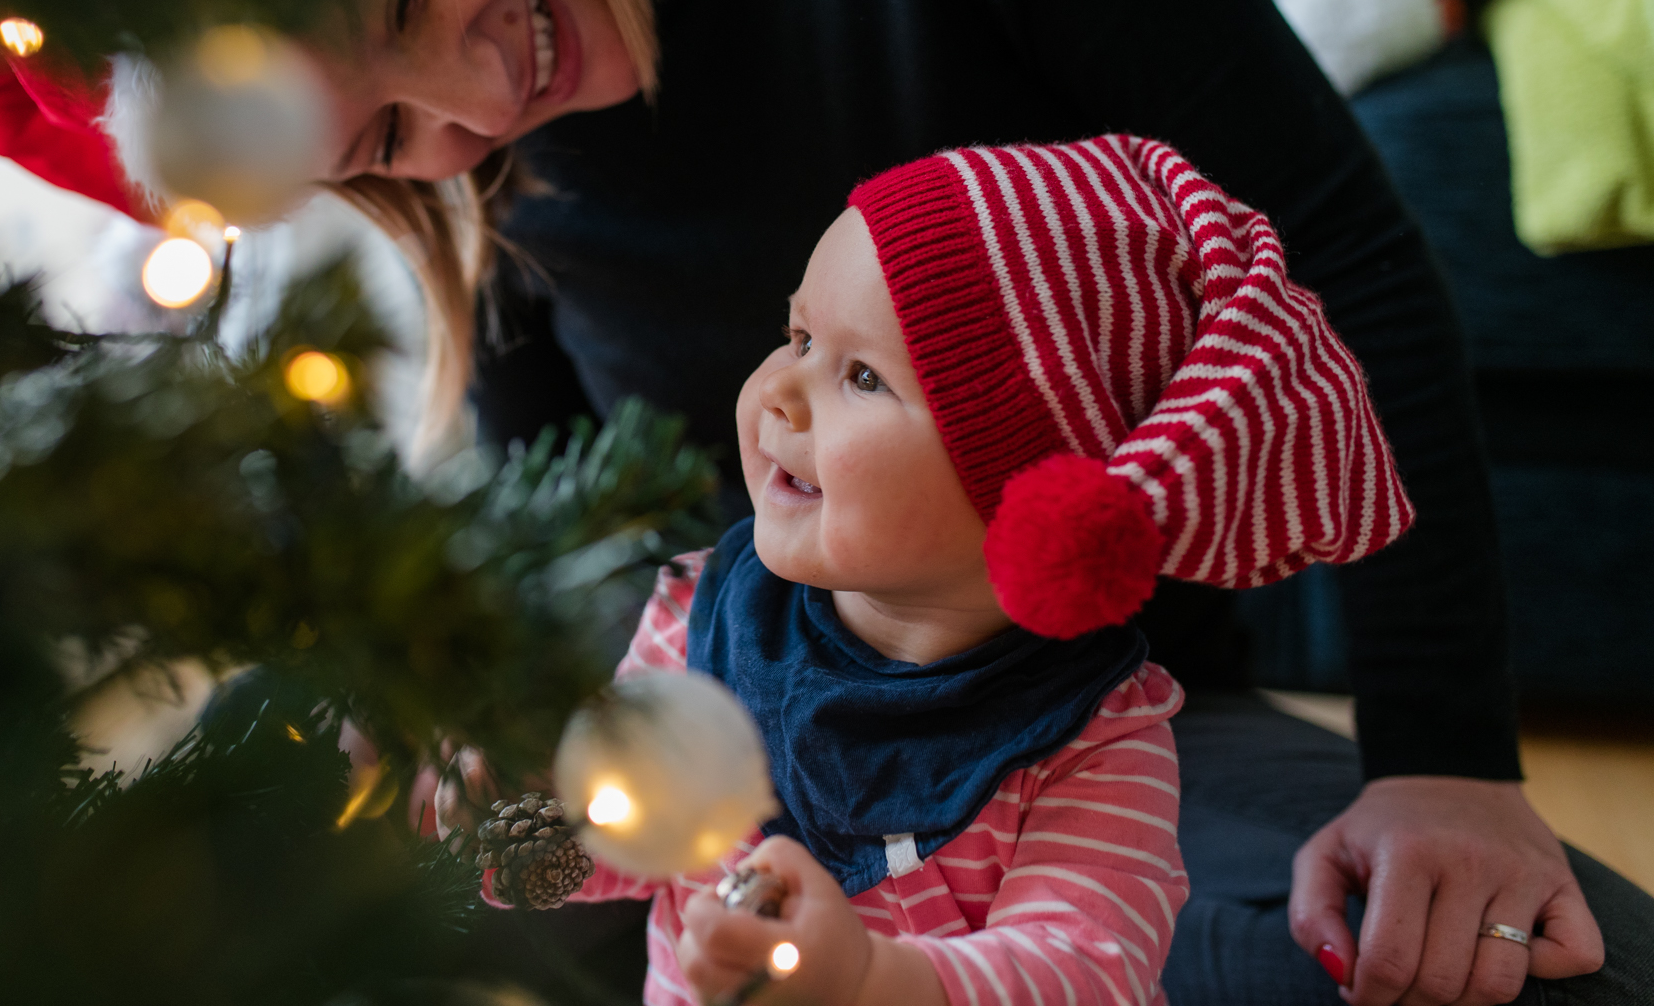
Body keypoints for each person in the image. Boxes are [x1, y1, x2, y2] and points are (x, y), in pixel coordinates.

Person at [0, 0, 1649, 1004]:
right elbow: (565, 537)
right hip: (713, 798)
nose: (476, 106)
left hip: (1077, 769)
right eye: (382, 142)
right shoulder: (494, 185)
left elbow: (1338, 244)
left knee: (1556, 969)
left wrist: (1447, 764)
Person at [459, 135, 1413, 1006]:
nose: (778, 393)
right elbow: (630, 838)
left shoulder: (1091, 739)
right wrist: (503, 824)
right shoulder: (701, 609)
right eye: (796, 338)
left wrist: (873, 978)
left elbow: (1084, 967)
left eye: (861, 375)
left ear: (1030, 498)